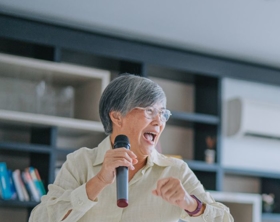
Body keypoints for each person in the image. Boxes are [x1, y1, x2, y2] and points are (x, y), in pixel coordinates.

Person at [29, 74, 233, 222]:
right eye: (149, 111)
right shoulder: (80, 163)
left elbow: (224, 219)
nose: (158, 122)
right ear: (117, 116)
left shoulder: (176, 171)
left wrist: (191, 204)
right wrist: (98, 182)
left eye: (162, 114)